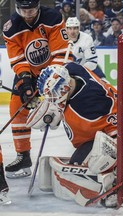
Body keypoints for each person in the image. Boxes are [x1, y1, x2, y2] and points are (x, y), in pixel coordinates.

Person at [26, 63, 123, 205]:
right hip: (108, 131)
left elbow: (76, 120)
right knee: (80, 163)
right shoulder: (72, 69)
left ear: (65, 88)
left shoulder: (86, 105)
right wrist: (54, 105)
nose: (53, 99)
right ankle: (119, 169)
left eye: (53, 95)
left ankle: (117, 185)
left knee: (89, 166)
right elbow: (64, 67)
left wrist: (56, 112)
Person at [2, 0, 72, 179]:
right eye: (24, 11)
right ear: (18, 9)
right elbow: (18, 60)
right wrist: (25, 81)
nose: (29, 14)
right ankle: (23, 156)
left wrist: (50, 79)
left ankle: (84, 146)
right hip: (31, 74)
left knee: (71, 107)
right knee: (17, 106)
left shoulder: (53, 18)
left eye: (32, 9)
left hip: (58, 70)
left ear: (38, 6)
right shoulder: (11, 28)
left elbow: (60, 53)